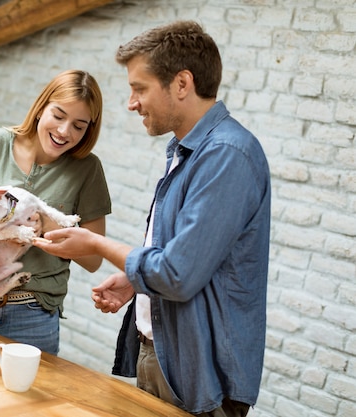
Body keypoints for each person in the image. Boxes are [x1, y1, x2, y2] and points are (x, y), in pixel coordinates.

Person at [33, 21, 271, 416]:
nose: (131, 103)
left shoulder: (228, 155)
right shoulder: (186, 148)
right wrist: (134, 280)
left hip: (198, 374)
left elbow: (177, 273)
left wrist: (94, 243)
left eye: (139, 88)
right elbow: (188, 252)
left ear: (181, 83)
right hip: (164, 354)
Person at [0, 69, 112, 356]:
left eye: (79, 126)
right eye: (58, 116)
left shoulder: (87, 170)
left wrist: (44, 225)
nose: (64, 131)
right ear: (41, 107)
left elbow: (94, 259)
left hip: (33, 316)